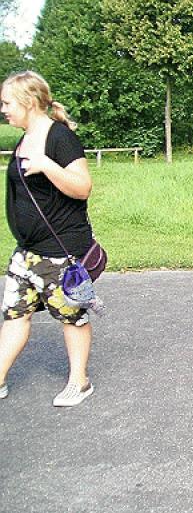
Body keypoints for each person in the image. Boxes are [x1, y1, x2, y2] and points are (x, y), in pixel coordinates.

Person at [0, 71, 96, 407]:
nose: (3, 109)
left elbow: (83, 187)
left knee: (71, 315)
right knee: (15, 313)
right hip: (27, 252)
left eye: (7, 103)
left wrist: (46, 165)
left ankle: (79, 381)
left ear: (28, 102)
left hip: (60, 250)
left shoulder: (59, 138)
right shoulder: (24, 138)